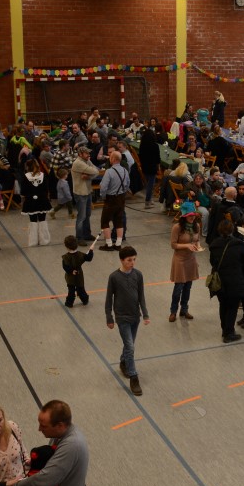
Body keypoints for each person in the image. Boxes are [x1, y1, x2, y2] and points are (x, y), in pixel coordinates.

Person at [105, 245, 149, 396]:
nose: (132, 263)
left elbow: (141, 296)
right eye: (129, 260)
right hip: (122, 318)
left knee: (129, 345)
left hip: (135, 317)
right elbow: (108, 299)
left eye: (134, 259)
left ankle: (124, 362)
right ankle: (133, 376)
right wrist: (109, 317)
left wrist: (145, 314)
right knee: (130, 347)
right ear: (122, 260)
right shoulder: (114, 277)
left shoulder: (138, 275)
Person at [208, 219, 244, 343]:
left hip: (219, 281)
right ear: (232, 230)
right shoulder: (238, 244)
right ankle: (229, 333)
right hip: (234, 280)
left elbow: (212, 261)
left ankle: (224, 329)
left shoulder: (214, 244)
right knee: (232, 307)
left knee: (223, 305)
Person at [169, 202, 201, 322]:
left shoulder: (196, 226)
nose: (192, 217)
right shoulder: (177, 227)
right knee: (178, 288)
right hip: (180, 260)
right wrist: (187, 245)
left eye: (193, 215)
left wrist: (198, 246)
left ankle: (184, 310)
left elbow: (197, 239)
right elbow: (173, 245)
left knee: (188, 287)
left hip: (191, 260)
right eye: (189, 215)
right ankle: (173, 311)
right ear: (184, 216)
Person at [98, 150, 131, 251]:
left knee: (105, 221)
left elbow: (103, 187)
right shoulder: (125, 171)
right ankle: (118, 244)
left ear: (113, 159)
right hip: (121, 198)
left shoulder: (109, 172)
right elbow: (127, 184)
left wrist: (103, 196)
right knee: (119, 221)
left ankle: (108, 244)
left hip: (111, 199)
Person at [70, 146, 98, 244]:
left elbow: (96, 171)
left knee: (87, 214)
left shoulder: (87, 161)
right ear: (80, 154)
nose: (89, 155)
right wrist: (91, 173)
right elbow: (94, 171)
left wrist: (89, 176)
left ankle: (87, 234)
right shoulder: (78, 163)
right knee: (81, 216)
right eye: (86, 153)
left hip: (88, 191)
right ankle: (79, 237)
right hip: (80, 193)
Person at [61, 235, 95, 307]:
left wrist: (71, 271)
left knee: (71, 290)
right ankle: (85, 300)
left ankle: (69, 303)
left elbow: (65, 267)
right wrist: (91, 250)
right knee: (81, 289)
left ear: (66, 246)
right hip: (79, 276)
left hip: (70, 277)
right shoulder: (80, 255)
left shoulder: (65, 257)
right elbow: (89, 258)